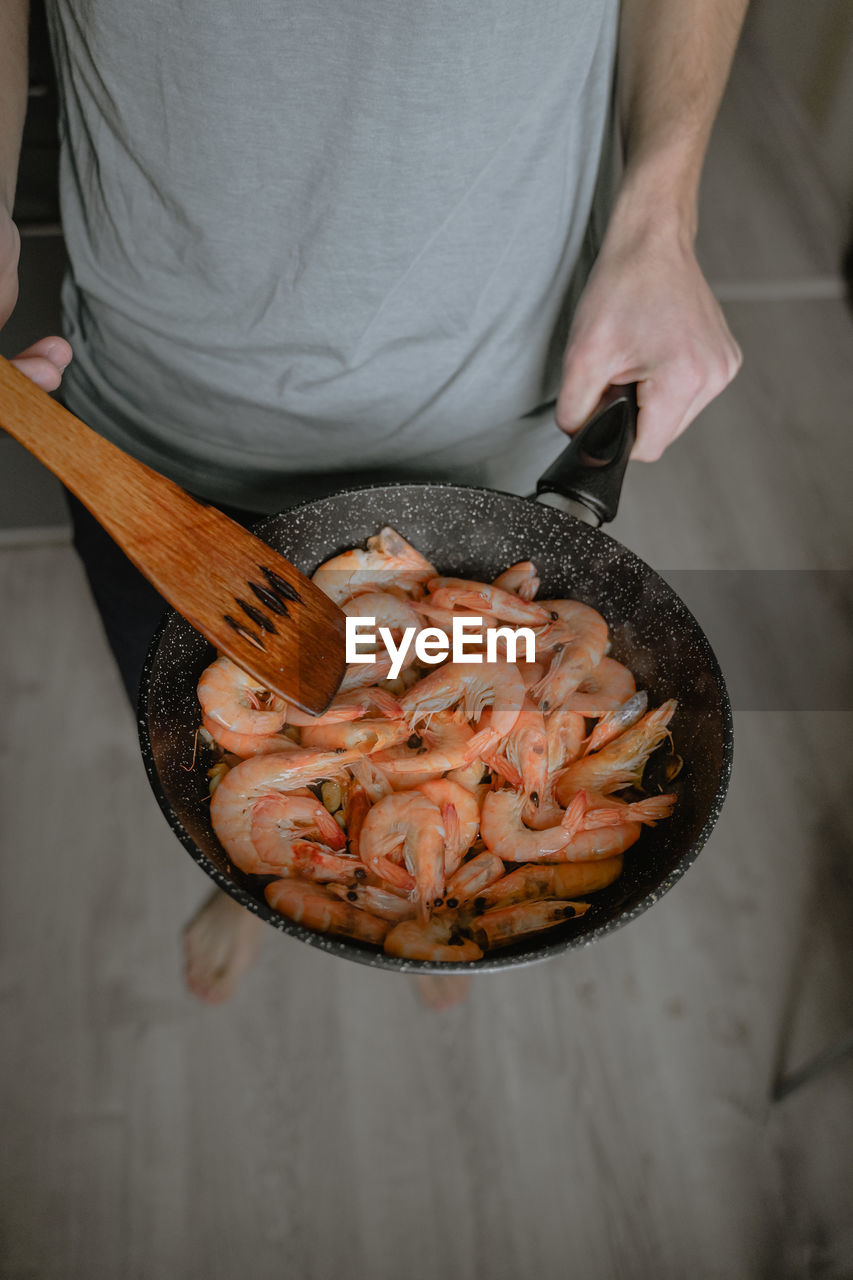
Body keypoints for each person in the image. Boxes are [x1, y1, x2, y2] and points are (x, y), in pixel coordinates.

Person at [1, 0, 745, 1006]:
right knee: (188, 744)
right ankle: (295, 878)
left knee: (265, 743)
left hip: (500, 390)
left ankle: (439, 893)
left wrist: (663, 216)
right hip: (154, 414)